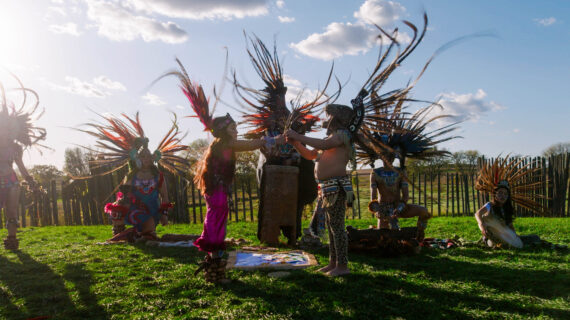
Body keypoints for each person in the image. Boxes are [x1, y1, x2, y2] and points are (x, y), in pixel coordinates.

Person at [168, 59, 284, 282]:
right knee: (216, 227)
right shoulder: (224, 144)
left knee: (216, 224)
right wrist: (271, 140)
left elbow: (246, 144)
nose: (236, 130)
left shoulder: (220, 145)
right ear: (224, 131)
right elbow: (248, 145)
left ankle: (215, 270)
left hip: (218, 191)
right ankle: (215, 271)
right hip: (218, 193)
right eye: (233, 127)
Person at [78, 112, 189, 241]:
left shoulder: (158, 176)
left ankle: (139, 233)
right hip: (135, 208)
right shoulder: (132, 175)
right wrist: (122, 202)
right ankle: (121, 233)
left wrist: (164, 215)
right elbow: (125, 193)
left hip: (151, 210)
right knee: (116, 210)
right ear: (137, 158)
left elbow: (164, 196)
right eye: (143, 156)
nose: (146, 159)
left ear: (153, 157)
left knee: (148, 234)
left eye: (148, 156)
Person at [286, 103, 357, 277]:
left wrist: (298, 136)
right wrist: (295, 142)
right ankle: (334, 262)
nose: (326, 120)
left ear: (336, 119)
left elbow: (324, 146)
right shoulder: (331, 138)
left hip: (337, 187)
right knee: (332, 226)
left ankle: (342, 265)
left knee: (337, 227)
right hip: (327, 188)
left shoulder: (343, 135)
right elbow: (310, 155)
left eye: (329, 117)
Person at [0, 78, 45, 250]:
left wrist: (31, 182)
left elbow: (21, 166)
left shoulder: (15, 148)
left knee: (11, 213)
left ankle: (12, 240)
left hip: (11, 181)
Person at [474, 157, 545, 248]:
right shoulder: (489, 205)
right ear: (495, 195)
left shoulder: (506, 209)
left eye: (505, 194)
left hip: (505, 235)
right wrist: (481, 224)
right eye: (500, 193)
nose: (502, 196)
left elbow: (510, 225)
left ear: (508, 196)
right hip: (492, 237)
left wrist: (515, 237)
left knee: (535, 238)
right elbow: (478, 214)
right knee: (494, 244)